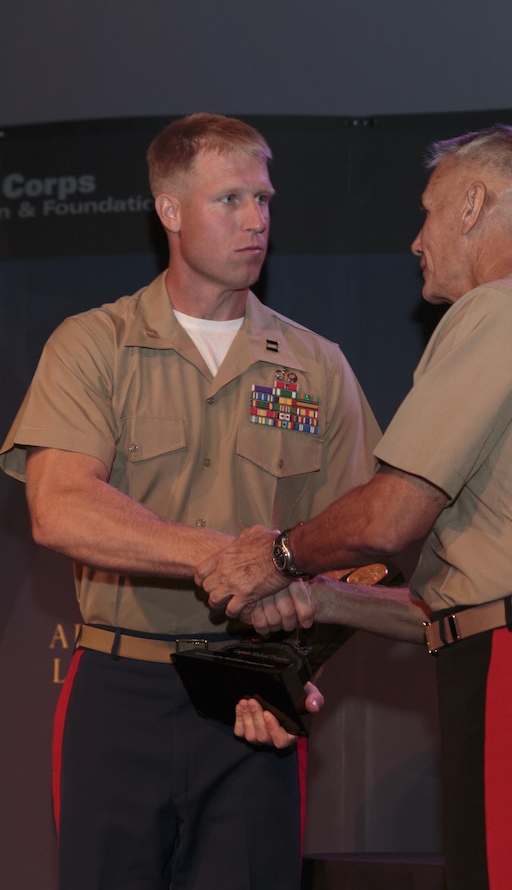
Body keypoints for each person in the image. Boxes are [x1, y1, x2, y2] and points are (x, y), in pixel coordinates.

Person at [195, 125, 512, 890]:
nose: (415, 240)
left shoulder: (500, 309)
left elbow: (390, 518)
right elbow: (464, 603)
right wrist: (322, 598)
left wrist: (275, 557)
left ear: (472, 205)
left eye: (427, 211)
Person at [0, 113, 382, 890]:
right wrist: (224, 557)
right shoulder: (94, 344)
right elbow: (60, 507)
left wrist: (292, 664)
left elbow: (367, 545)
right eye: (229, 199)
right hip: (119, 690)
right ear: (169, 211)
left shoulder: (316, 366)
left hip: (251, 698)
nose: (256, 220)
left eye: (263, 199)